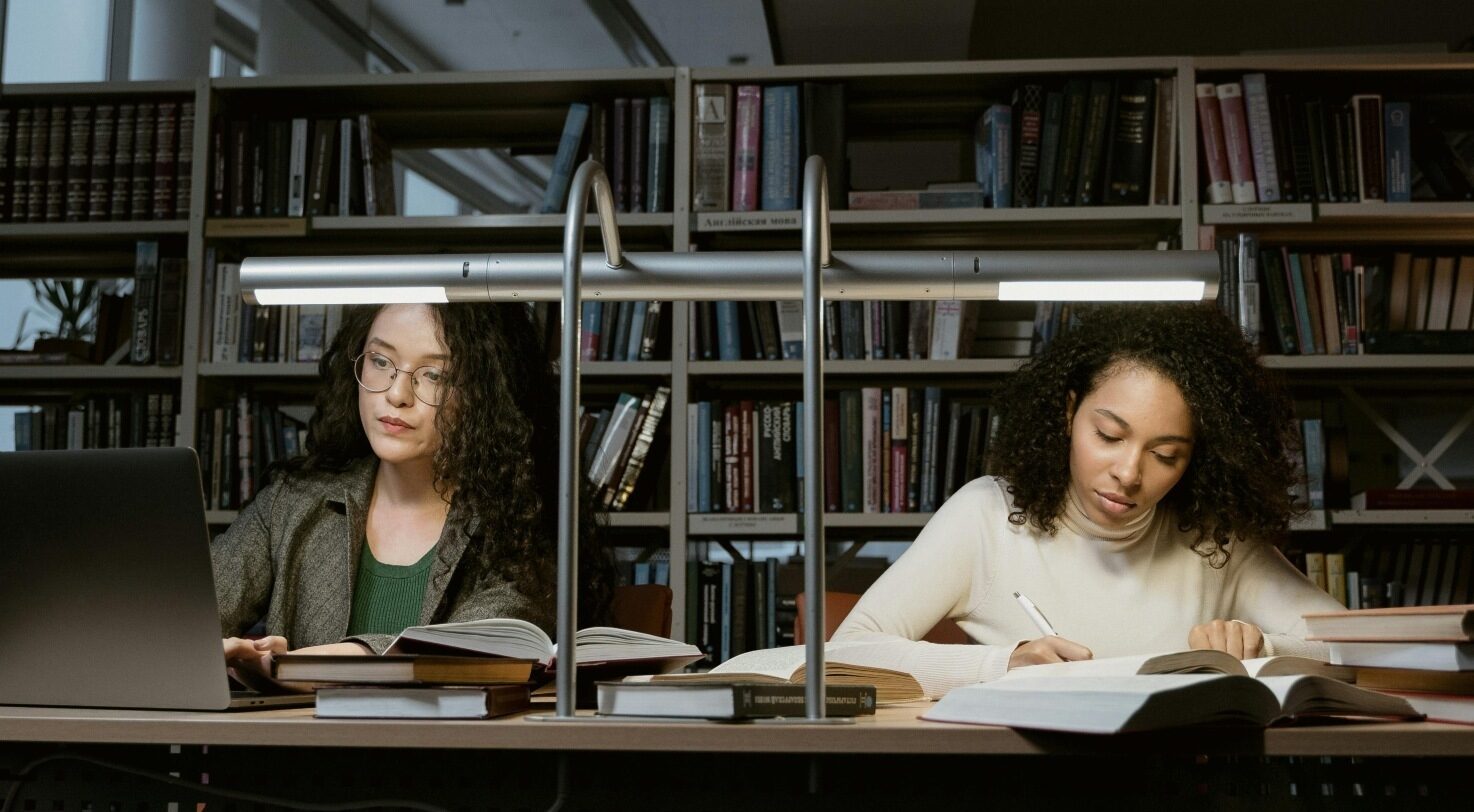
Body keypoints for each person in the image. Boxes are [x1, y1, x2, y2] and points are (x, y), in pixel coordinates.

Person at [831, 303, 1343, 698]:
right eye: (1109, 435)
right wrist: (1003, 664)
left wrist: (1261, 648)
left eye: (1165, 454)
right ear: (1070, 412)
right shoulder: (986, 516)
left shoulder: (1213, 538)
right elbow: (847, 654)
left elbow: (1356, 650)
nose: (1128, 472)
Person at [215, 302, 613, 678]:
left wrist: (289, 667)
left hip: (451, 750)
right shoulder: (290, 502)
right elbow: (181, 615)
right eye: (381, 362)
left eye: (435, 375)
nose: (396, 394)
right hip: (293, 748)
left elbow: (467, 648)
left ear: (488, 393)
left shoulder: (522, 522)